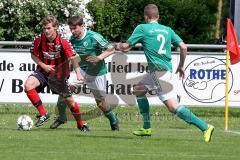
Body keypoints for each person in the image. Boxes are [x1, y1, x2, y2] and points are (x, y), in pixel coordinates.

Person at [115, 4, 214, 142]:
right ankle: (146, 127)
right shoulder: (167, 30)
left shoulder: (142, 28)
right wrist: (180, 66)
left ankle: (205, 127)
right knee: (138, 89)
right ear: (158, 16)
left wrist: (117, 45)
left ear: (145, 17)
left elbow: (125, 47)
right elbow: (184, 47)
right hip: (164, 70)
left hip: (159, 73)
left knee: (173, 107)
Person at [50, 15, 119, 131]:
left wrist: (99, 57)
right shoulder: (72, 39)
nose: (72, 31)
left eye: (74, 28)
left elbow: (112, 48)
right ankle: (61, 117)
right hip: (80, 71)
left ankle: (113, 119)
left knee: (101, 103)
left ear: (82, 26)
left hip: (97, 72)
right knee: (64, 91)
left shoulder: (94, 37)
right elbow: (71, 57)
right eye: (70, 29)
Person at [24, 15, 89, 131]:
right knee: (28, 85)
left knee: (69, 101)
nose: (46, 31)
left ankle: (81, 124)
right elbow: (33, 55)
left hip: (58, 76)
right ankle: (44, 114)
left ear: (55, 28)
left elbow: (73, 58)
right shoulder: (39, 39)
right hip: (43, 72)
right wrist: (44, 65)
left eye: (48, 28)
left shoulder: (63, 41)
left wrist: (78, 74)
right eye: (44, 28)